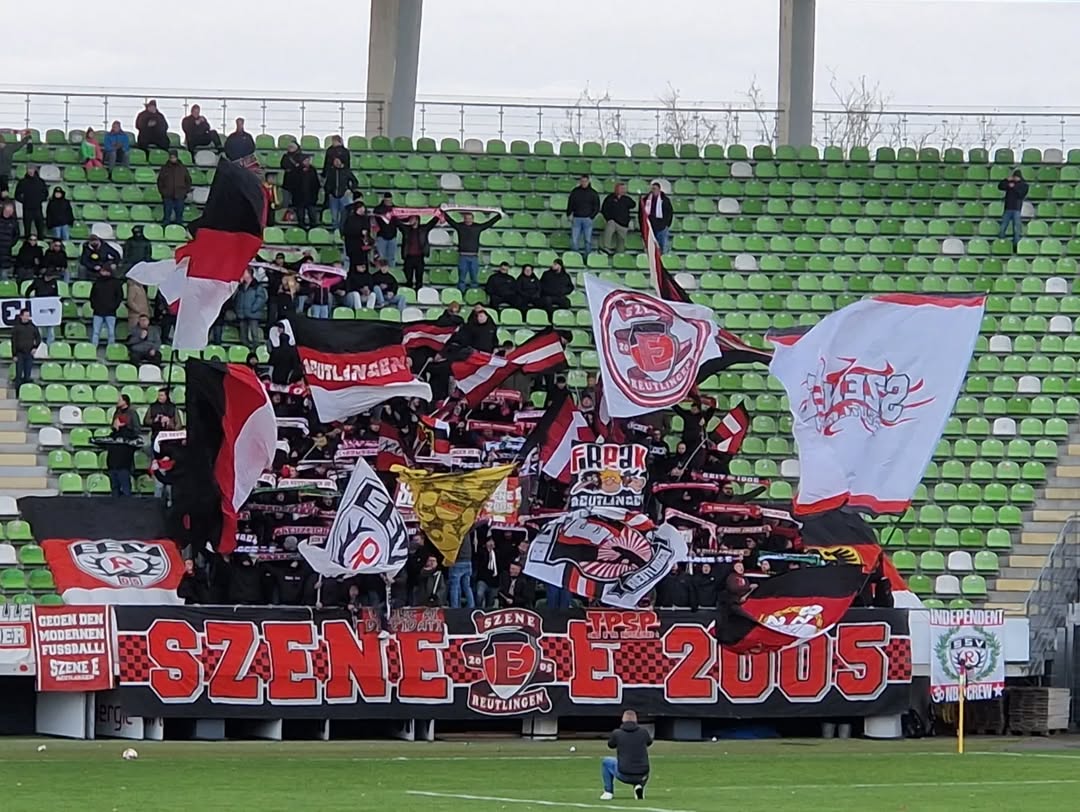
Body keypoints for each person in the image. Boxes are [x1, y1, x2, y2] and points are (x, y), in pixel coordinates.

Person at [443, 209, 502, 292]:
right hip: (463, 256)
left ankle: (474, 293)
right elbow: (450, 221)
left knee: (474, 277)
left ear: (473, 219)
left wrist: (499, 216)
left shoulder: (477, 227)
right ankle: (461, 294)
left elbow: (488, 224)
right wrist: (442, 213)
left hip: (474, 257)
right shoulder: (460, 226)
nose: (468, 220)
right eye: (466, 218)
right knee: (462, 278)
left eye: (470, 218)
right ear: (464, 219)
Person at [601, 709, 652, 801]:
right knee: (642, 766)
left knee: (606, 761)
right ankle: (638, 786)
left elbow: (611, 745)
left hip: (624, 774)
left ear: (623, 720)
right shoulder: (643, 732)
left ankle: (608, 792)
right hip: (643, 775)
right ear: (636, 720)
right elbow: (649, 742)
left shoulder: (617, 733)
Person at [398, 214, 439, 289]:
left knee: (419, 278)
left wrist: (438, 214)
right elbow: (397, 223)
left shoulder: (423, 228)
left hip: (419, 257)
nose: (410, 220)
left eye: (412, 219)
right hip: (408, 257)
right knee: (408, 277)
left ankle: (418, 293)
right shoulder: (406, 229)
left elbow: (432, 223)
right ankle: (410, 293)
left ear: (417, 220)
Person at [105, 413, 140, 497]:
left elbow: (137, 445)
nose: (114, 423)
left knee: (126, 489)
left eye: (116, 421)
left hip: (123, 466)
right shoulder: (112, 436)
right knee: (114, 489)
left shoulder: (130, 436)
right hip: (112, 466)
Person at [90, 264, 123, 346]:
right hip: (98, 311)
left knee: (111, 333)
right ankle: (93, 349)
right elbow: (92, 296)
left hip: (110, 312)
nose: (103, 272)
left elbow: (119, 296)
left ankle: (111, 348)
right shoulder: (97, 282)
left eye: (104, 271)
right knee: (96, 332)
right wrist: (94, 306)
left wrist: (114, 307)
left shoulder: (116, 283)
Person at [566, 174, 600, 256]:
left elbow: (597, 206)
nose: (584, 183)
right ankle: (575, 257)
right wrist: (569, 214)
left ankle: (587, 257)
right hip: (576, 218)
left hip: (587, 219)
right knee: (574, 240)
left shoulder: (593, 193)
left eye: (585, 181)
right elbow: (570, 203)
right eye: (582, 181)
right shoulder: (575, 191)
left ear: (588, 181)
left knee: (588, 240)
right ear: (580, 182)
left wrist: (591, 216)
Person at [157, 150, 192, 226]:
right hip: (168, 195)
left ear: (176, 157)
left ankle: (178, 231)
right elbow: (160, 181)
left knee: (179, 217)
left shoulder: (183, 168)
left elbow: (188, 181)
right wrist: (163, 192)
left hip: (180, 195)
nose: (172, 159)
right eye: (171, 157)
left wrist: (185, 191)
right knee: (167, 217)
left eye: (174, 157)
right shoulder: (164, 168)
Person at [234, 269, 267, 348]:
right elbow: (238, 298)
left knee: (254, 334)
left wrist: (253, 308)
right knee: (243, 335)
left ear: (249, 274)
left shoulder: (257, 286)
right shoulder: (241, 286)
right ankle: (246, 350)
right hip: (242, 313)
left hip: (253, 313)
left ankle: (256, 351)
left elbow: (261, 298)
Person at [324, 157, 358, 230]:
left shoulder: (347, 171)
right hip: (333, 197)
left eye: (337, 161)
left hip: (344, 196)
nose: (335, 162)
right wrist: (329, 192)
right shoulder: (331, 171)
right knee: (334, 216)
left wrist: (350, 190)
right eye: (334, 161)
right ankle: (336, 232)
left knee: (344, 216)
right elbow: (327, 184)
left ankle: (343, 231)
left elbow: (355, 182)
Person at [998, 169, 1029, 250]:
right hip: (1008, 208)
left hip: (1016, 209)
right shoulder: (1009, 183)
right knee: (1003, 227)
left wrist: (1014, 187)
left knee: (1016, 229)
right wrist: (1006, 180)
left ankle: (1016, 246)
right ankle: (1001, 242)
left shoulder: (1024, 185)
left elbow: (1021, 194)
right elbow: (1000, 186)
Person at [14, 165, 47, 239]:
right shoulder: (22, 182)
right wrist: (24, 201)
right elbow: (17, 195)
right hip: (27, 209)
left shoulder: (40, 182)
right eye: (29, 169)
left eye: (31, 169)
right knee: (27, 230)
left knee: (40, 229)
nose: (30, 171)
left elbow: (45, 193)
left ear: (35, 170)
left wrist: (39, 200)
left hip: (38, 209)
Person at [601, 182, 635, 254]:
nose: (623, 190)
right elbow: (604, 209)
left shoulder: (626, 199)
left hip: (623, 224)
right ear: (616, 189)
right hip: (613, 222)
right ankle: (606, 247)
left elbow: (633, 204)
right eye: (621, 188)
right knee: (610, 225)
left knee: (621, 244)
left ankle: (619, 255)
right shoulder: (610, 198)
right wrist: (608, 218)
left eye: (624, 189)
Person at [11, 308, 40, 393]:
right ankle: (17, 393)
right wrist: (14, 354)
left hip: (29, 354)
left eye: (28, 315)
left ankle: (26, 392)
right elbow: (13, 341)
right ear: (21, 316)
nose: (27, 317)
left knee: (27, 375)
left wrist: (35, 347)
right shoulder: (16, 327)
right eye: (26, 315)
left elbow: (38, 338)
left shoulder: (33, 326)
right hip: (19, 354)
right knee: (19, 375)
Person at [342, 200, 375, 270]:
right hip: (353, 247)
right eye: (360, 208)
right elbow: (347, 232)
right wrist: (360, 232)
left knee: (364, 265)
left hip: (363, 247)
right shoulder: (350, 219)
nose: (362, 210)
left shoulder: (365, 219)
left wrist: (369, 240)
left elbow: (368, 231)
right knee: (354, 266)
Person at [643, 182, 674, 253]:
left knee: (663, 246)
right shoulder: (647, 199)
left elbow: (669, 212)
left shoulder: (665, 200)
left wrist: (667, 224)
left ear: (659, 189)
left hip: (662, 226)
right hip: (651, 226)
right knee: (651, 247)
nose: (653, 190)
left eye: (655, 189)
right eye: (652, 189)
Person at [292, 156, 321, 230]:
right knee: (300, 213)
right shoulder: (296, 170)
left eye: (308, 160)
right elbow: (293, 184)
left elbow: (316, 184)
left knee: (312, 212)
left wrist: (315, 194)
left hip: (311, 196)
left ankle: (313, 227)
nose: (307, 162)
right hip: (299, 197)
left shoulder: (313, 170)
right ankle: (301, 226)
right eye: (306, 160)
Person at [373, 193, 399, 267]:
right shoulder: (378, 209)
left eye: (389, 200)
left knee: (391, 258)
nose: (388, 202)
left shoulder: (395, 209)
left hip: (393, 236)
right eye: (387, 200)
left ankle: (391, 273)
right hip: (381, 236)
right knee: (380, 258)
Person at [474, 537, 501, 609]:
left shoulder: (498, 553)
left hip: (494, 582)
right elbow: (480, 564)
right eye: (489, 542)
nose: (491, 544)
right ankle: (477, 609)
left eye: (492, 542)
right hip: (483, 580)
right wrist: (487, 553)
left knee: (490, 603)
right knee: (479, 594)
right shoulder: (481, 552)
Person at [279, 142, 305, 214]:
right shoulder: (285, 156)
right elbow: (283, 165)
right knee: (285, 201)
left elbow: (301, 167)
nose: (290, 148)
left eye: (292, 146)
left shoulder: (301, 156)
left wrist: (292, 168)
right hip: (287, 183)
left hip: (298, 183)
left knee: (297, 202)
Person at [0, 202, 20, 277]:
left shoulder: (14, 222)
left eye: (10, 211)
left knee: (3, 276)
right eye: (7, 211)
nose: (9, 212)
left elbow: (17, 235)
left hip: (6, 252)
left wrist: (10, 243)